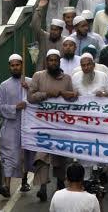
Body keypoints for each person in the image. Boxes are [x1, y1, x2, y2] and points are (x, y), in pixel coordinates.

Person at [27, 49, 78, 202]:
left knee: (60, 156)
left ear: (59, 62)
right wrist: (47, 94)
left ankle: (60, 184)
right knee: (42, 156)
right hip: (42, 124)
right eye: (51, 60)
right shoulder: (38, 76)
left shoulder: (67, 78)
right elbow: (31, 97)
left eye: (56, 60)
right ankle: (43, 187)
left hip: (61, 124)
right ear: (46, 62)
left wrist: (67, 94)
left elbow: (72, 99)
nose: (53, 63)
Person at [0, 53, 30, 197]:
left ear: (22, 65)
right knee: (9, 156)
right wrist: (15, 107)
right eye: (13, 65)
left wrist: (29, 88)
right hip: (11, 126)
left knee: (26, 154)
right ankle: (6, 186)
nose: (15, 67)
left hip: (28, 125)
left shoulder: (30, 82)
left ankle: (24, 181)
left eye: (18, 65)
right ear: (9, 67)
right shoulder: (4, 86)